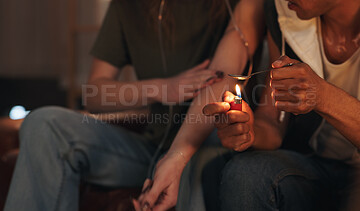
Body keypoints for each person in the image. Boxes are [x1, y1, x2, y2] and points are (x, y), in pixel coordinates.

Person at [3, 0, 265, 211]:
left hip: (203, 147)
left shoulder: (238, 6)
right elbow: (95, 93)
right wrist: (162, 88)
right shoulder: (126, 7)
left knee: (201, 162)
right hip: (148, 150)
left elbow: (221, 80)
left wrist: (177, 157)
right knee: (43, 124)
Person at [203, 0, 360, 210]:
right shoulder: (285, 14)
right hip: (312, 167)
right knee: (245, 174)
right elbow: (273, 122)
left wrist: (324, 97)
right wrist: (250, 131)